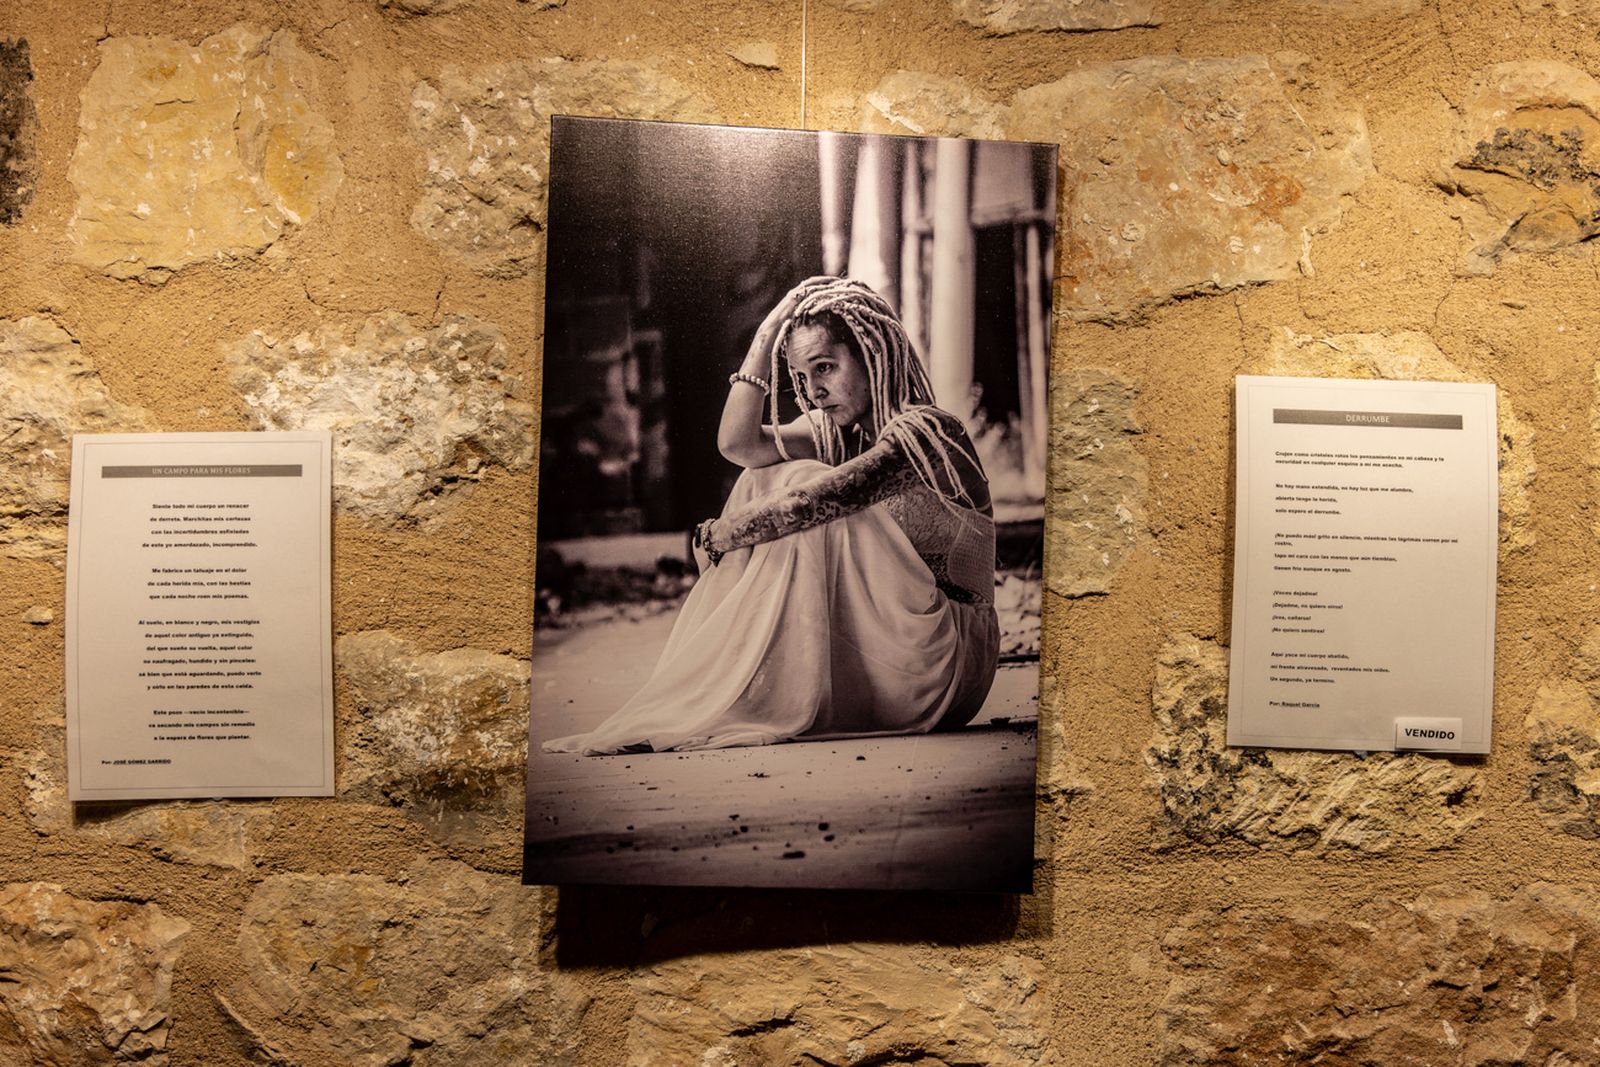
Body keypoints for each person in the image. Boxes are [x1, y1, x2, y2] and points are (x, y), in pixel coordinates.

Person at [543, 276, 999, 755]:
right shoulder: (840, 435)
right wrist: (767, 333)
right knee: (764, 476)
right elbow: (737, 445)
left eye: (825, 368)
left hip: (948, 660)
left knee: (798, 482)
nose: (816, 392)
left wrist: (720, 535)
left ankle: (733, 688)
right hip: (893, 652)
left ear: (873, 354)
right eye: (803, 378)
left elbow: (813, 503)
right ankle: (727, 687)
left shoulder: (929, 431)